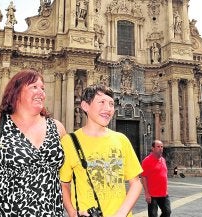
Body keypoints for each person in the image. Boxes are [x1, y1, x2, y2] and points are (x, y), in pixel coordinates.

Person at [0, 69, 67, 216]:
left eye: (43, 88)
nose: (41, 92)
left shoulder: (57, 128)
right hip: (4, 212)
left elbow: (67, 175)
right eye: (34, 87)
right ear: (16, 91)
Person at [60, 84, 143, 217]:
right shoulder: (69, 142)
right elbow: (63, 184)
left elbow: (136, 183)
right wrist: (72, 213)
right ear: (85, 106)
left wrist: (121, 214)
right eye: (102, 102)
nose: (108, 108)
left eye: (111, 104)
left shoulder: (121, 140)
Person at [141, 140, 171, 217]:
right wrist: (147, 193)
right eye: (158, 147)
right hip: (152, 195)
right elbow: (143, 177)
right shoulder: (146, 161)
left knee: (167, 212)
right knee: (153, 215)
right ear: (153, 148)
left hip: (164, 194)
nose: (160, 148)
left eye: (162, 147)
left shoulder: (163, 160)